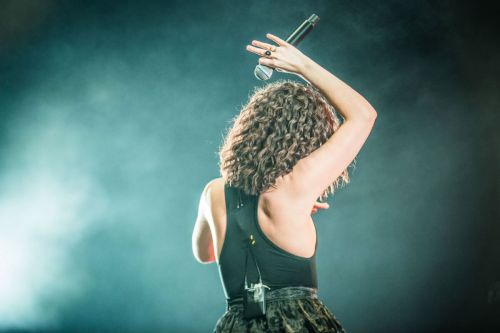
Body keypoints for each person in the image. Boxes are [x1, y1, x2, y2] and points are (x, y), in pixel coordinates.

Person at [192, 32, 377, 332]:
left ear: (249, 129)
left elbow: (206, 254)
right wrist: (302, 65)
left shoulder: (213, 192)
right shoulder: (297, 184)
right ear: (309, 139)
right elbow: (363, 115)